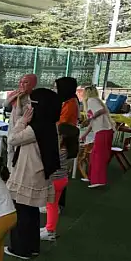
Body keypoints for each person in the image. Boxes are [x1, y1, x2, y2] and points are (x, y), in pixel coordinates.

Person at [5, 88, 61, 261]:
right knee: (31, 212)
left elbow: (12, 138)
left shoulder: (36, 127)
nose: (28, 106)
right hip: (37, 172)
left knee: (21, 212)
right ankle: (32, 247)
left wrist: (22, 120)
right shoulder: (48, 123)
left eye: (31, 103)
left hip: (28, 173)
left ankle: (21, 249)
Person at [40, 124, 78, 242]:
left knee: (51, 205)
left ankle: (50, 231)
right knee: (53, 205)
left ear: (62, 137)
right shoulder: (68, 150)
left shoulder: (59, 151)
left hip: (54, 181)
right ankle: (49, 228)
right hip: (62, 180)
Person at [54, 77, 80, 212]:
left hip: (64, 140)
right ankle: (58, 203)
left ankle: (58, 204)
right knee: (60, 173)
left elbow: (61, 123)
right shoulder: (70, 101)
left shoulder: (70, 103)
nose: (55, 90)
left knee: (59, 173)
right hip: (65, 139)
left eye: (57, 87)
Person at [80, 86, 114, 189]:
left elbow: (101, 111)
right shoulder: (94, 101)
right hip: (102, 131)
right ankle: (91, 177)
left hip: (103, 131)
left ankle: (99, 180)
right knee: (94, 155)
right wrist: (85, 134)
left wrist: (90, 118)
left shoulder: (91, 100)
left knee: (99, 156)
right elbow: (93, 121)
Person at [5, 74, 37, 168]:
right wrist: (15, 96)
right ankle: (9, 170)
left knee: (18, 149)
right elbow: (6, 104)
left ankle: (16, 171)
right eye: (21, 82)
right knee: (9, 149)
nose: (22, 84)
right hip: (12, 125)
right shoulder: (16, 93)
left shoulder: (33, 97)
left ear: (33, 84)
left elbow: (19, 113)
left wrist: (19, 98)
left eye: (26, 82)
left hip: (23, 126)